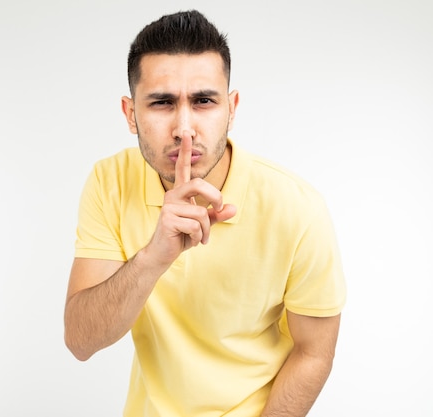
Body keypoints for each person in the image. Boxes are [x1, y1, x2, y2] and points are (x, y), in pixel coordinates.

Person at [64, 9, 346, 417]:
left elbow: (315, 352)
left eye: (203, 101)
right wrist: (153, 257)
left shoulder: (297, 207)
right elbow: (80, 340)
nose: (184, 128)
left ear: (231, 108)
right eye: (162, 103)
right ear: (130, 114)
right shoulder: (110, 181)